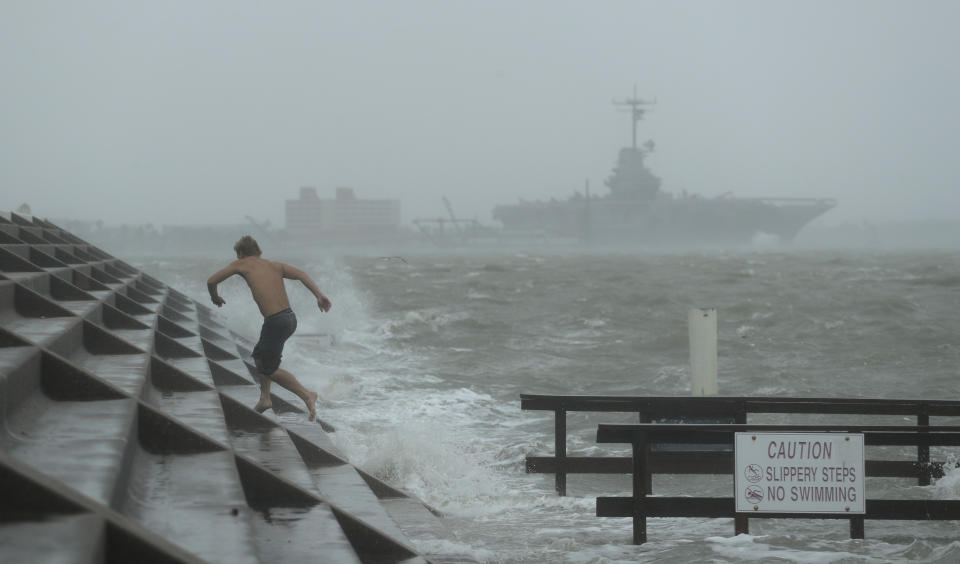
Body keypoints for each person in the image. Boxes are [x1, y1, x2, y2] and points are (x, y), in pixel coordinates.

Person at [207, 235, 331, 421]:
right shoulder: (275, 265)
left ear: (241, 253)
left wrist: (215, 297)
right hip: (288, 318)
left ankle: (307, 394)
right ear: (258, 251)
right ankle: (265, 398)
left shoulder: (241, 264)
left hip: (275, 321)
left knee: (268, 369)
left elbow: (211, 281)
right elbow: (302, 275)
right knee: (259, 356)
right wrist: (319, 295)